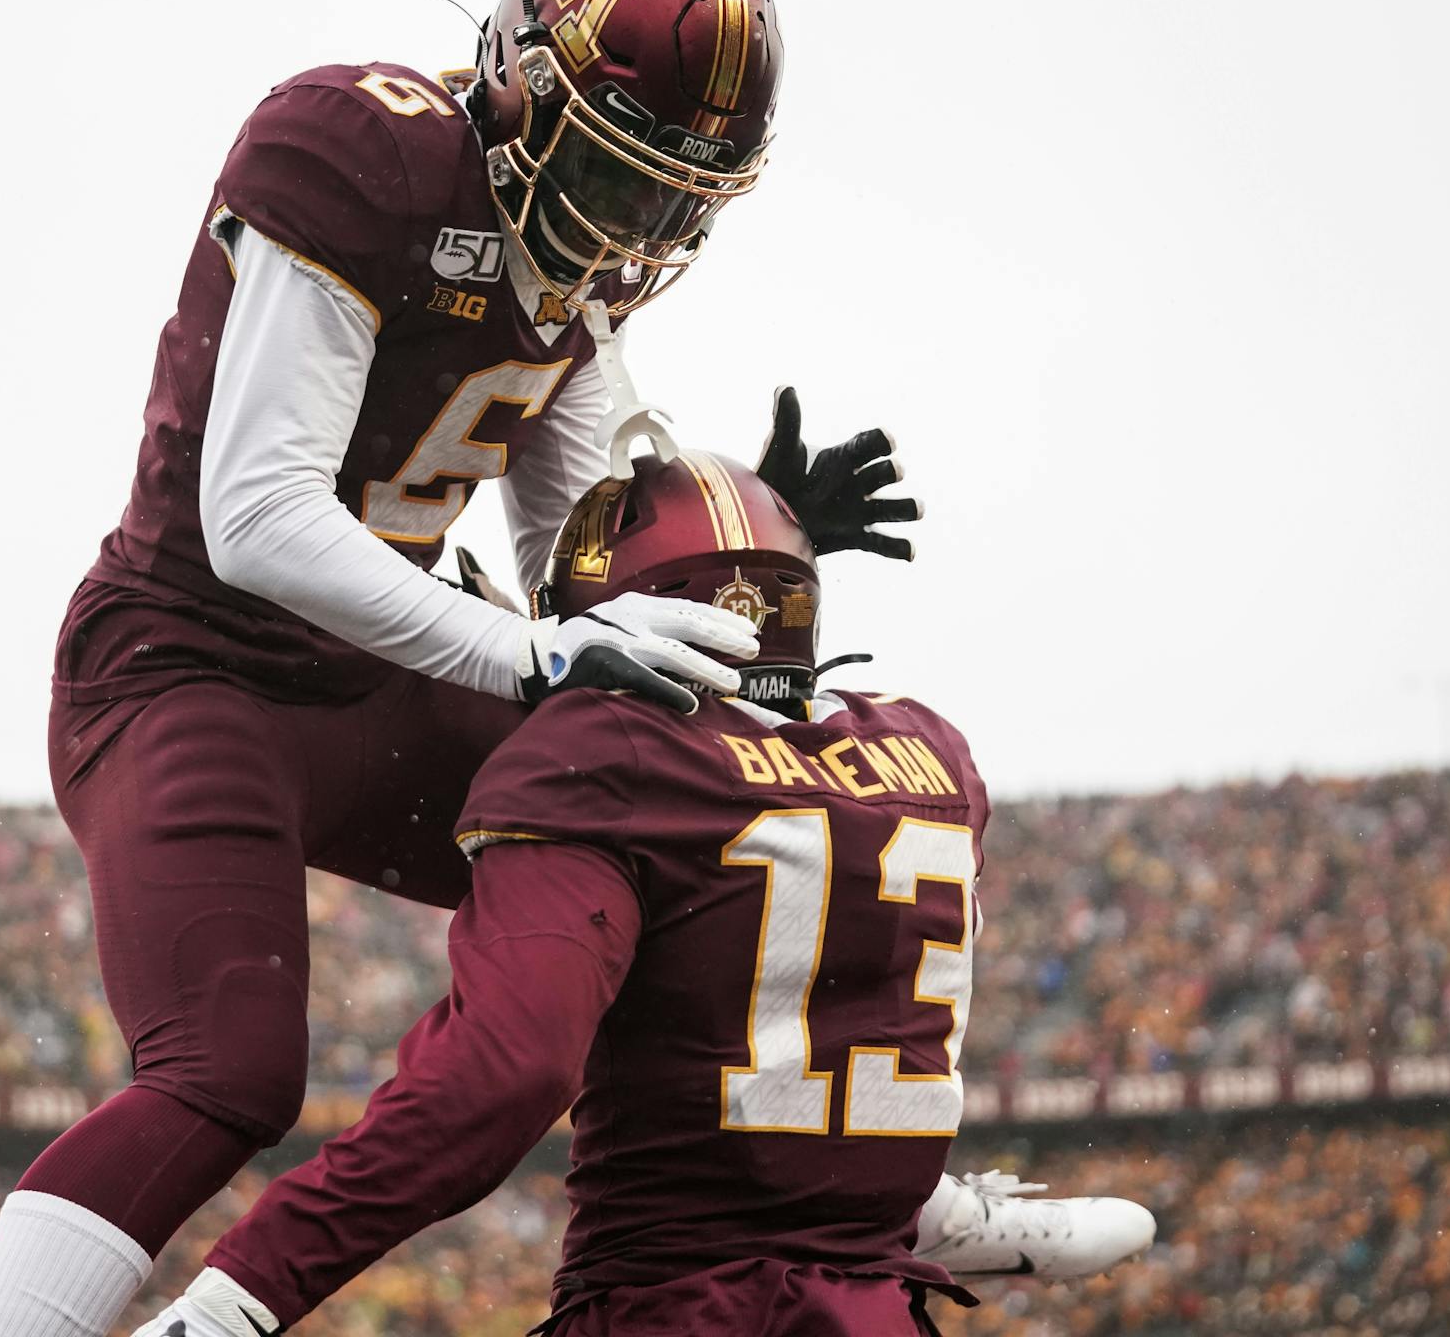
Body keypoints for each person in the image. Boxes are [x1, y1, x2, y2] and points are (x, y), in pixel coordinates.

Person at [0, 0, 924, 1335]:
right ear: (521, 82)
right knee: (227, 1070)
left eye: (668, 200)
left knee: (699, 835)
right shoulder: (367, 155)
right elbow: (261, 517)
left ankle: (877, 1190)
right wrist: (531, 657)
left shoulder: (572, 290)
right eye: (613, 175)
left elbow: (581, 568)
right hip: (187, 666)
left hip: (374, 682)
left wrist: (741, 530)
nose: (632, 228)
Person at [137, 452, 1154, 1337]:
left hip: (677, 1305)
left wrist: (243, 1293)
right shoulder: (930, 751)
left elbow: (501, 1077)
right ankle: (926, 1208)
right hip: (869, 1304)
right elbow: (796, 991)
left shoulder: (605, 754)